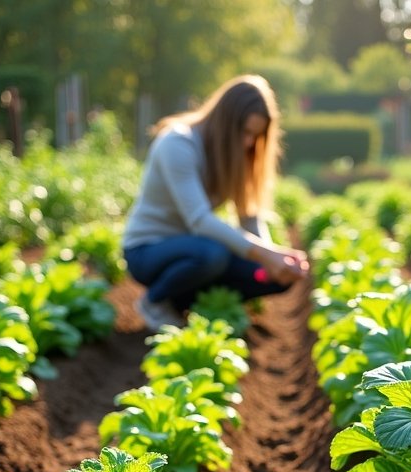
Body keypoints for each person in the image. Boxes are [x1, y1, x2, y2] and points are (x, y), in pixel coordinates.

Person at [122, 74, 309, 331]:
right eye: (245, 132)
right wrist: (266, 255)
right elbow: (199, 221)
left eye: (256, 135)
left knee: (278, 279)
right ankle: (154, 302)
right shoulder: (177, 143)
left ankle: (184, 303)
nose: (249, 142)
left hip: (195, 253)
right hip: (148, 251)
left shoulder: (235, 153)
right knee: (213, 254)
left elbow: (249, 216)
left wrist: (274, 261)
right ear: (225, 122)